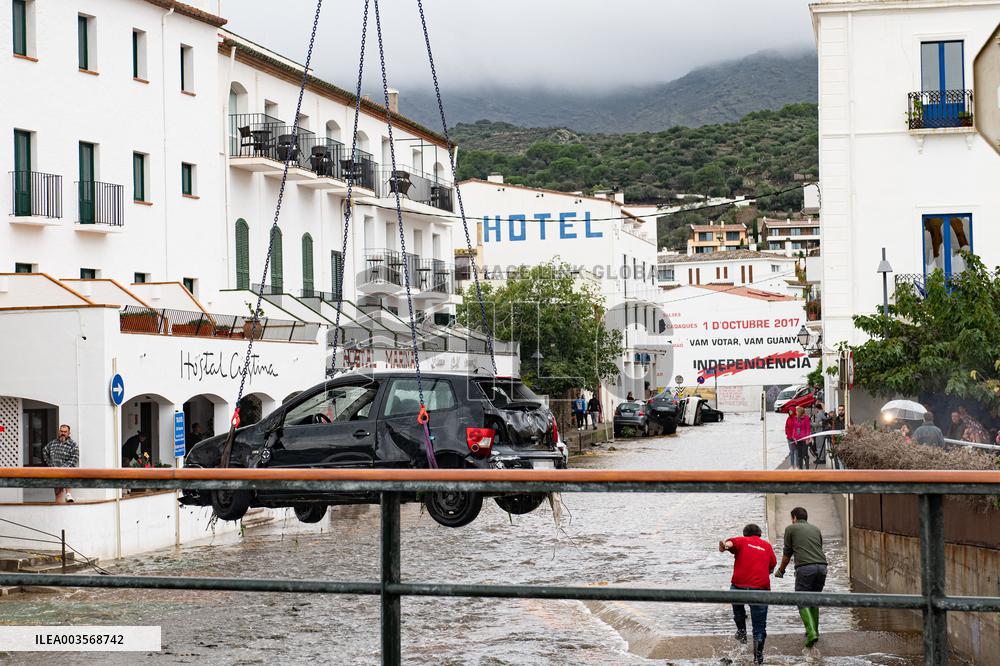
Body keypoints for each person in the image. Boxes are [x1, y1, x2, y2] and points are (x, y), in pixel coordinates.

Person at [719, 523, 776, 664]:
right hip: (760, 589)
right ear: (760, 534)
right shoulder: (767, 546)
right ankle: (758, 657)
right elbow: (772, 564)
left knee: (735, 599)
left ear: (745, 534)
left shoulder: (742, 541)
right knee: (759, 627)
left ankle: (741, 632)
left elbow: (730, 543)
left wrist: (725, 546)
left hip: (739, 587)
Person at [775, 507, 828, 648]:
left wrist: (780, 571)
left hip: (805, 568)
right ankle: (815, 631)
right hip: (822, 567)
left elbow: (787, 553)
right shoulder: (816, 529)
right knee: (814, 599)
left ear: (794, 518)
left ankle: (811, 632)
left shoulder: (790, 529)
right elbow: (818, 548)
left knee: (801, 599)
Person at [42, 424, 79, 504]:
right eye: (61, 431)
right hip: (55, 471)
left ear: (69, 433)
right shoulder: (53, 443)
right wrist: (50, 464)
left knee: (68, 497)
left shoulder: (73, 445)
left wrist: (63, 468)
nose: (63, 433)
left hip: (67, 471)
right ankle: (59, 508)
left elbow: (74, 459)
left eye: (65, 432)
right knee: (58, 494)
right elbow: (44, 451)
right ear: (59, 432)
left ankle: (68, 495)